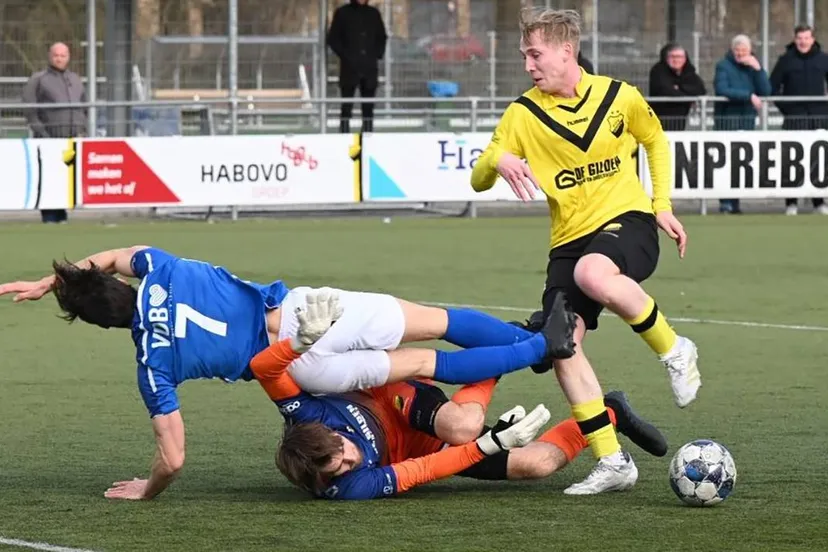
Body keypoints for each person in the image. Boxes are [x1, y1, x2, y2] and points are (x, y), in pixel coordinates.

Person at [0, 247, 575, 500]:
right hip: (300, 315)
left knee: (428, 364)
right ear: (117, 283)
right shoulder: (161, 267)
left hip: (299, 370)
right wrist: (58, 278)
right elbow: (120, 255)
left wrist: (147, 490)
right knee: (435, 324)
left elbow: (172, 460)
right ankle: (538, 344)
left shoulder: (152, 365)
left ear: (103, 326)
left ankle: (536, 347)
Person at [469, 8, 700, 495]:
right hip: (568, 241)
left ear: (566, 51)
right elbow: (479, 175)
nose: (529, 65)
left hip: (628, 223)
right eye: (524, 56)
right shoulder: (522, 114)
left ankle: (675, 349)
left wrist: (661, 204)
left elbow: (654, 139)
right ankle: (612, 461)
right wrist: (498, 156)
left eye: (536, 54)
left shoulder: (620, 96)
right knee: (561, 345)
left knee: (595, 274)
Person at [248, 300, 669, 499]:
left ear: (324, 432)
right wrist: (492, 446)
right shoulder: (348, 487)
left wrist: (298, 344)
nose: (349, 460)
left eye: (341, 451)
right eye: (338, 469)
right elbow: (425, 469)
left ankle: (507, 352)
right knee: (539, 464)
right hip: (418, 447)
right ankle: (610, 411)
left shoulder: (303, 413)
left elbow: (265, 369)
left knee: (462, 425)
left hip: (391, 397)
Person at [22, 42, 87, 224]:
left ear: (68, 57)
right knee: (49, 179)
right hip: (48, 140)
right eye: (56, 55)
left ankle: (62, 215)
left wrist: (82, 129)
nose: (59, 58)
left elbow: (84, 106)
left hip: (71, 140)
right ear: (50, 56)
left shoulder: (75, 79)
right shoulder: (38, 79)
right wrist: (42, 132)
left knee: (66, 180)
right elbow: (29, 108)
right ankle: (49, 216)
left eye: (63, 55)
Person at [769, 24, 828, 216]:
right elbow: (772, 88)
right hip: (793, 119)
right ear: (795, 39)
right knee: (792, 160)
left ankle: (818, 202)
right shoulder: (785, 60)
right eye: (799, 38)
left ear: (812, 39)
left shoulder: (823, 59)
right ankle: (791, 203)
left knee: (818, 160)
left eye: (806, 38)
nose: (803, 41)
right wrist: (787, 109)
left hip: (819, 119)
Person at [713, 34, 772, 214]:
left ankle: (736, 201)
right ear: (732, 50)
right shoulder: (723, 66)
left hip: (747, 120)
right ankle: (725, 201)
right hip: (727, 121)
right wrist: (748, 95)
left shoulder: (753, 67)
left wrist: (759, 69)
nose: (741, 54)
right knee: (725, 162)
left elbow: (766, 91)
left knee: (741, 162)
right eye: (737, 50)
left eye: (744, 50)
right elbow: (722, 89)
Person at [327, 0, 388, 133]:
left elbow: (382, 37)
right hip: (349, 69)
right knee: (346, 107)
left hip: (369, 68)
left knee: (368, 109)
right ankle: (344, 135)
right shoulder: (342, 13)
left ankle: (367, 135)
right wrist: (346, 56)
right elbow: (333, 39)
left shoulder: (373, 14)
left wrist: (376, 54)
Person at [648, 43, 707, 131]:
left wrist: (679, 87)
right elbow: (665, 90)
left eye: (679, 57)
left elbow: (700, 89)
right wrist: (689, 97)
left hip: (680, 119)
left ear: (685, 58)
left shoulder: (689, 70)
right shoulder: (658, 70)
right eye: (672, 57)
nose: (676, 60)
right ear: (666, 58)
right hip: (659, 119)